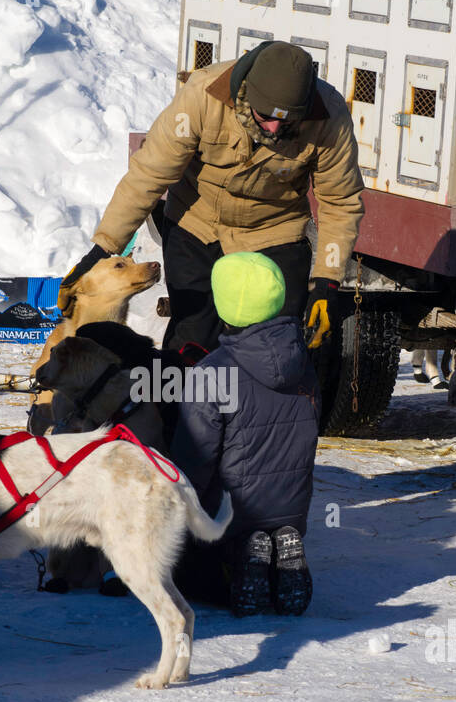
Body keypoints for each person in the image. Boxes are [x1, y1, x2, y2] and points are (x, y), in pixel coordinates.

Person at [59, 40, 365, 357]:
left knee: (273, 343)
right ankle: (173, 405)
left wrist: (328, 281)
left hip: (272, 230)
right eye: (265, 116)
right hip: (196, 222)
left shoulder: (329, 116)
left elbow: (340, 202)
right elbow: (148, 174)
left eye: (286, 121)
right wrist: (102, 248)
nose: (274, 128)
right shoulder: (202, 94)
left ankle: (254, 404)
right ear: (245, 92)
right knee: (192, 338)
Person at [169, 251, 320, 617]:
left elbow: (195, 458)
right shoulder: (303, 361)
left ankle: (240, 564)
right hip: (292, 508)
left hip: (230, 512)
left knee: (179, 574)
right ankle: (279, 552)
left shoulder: (211, 372)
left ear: (224, 304)